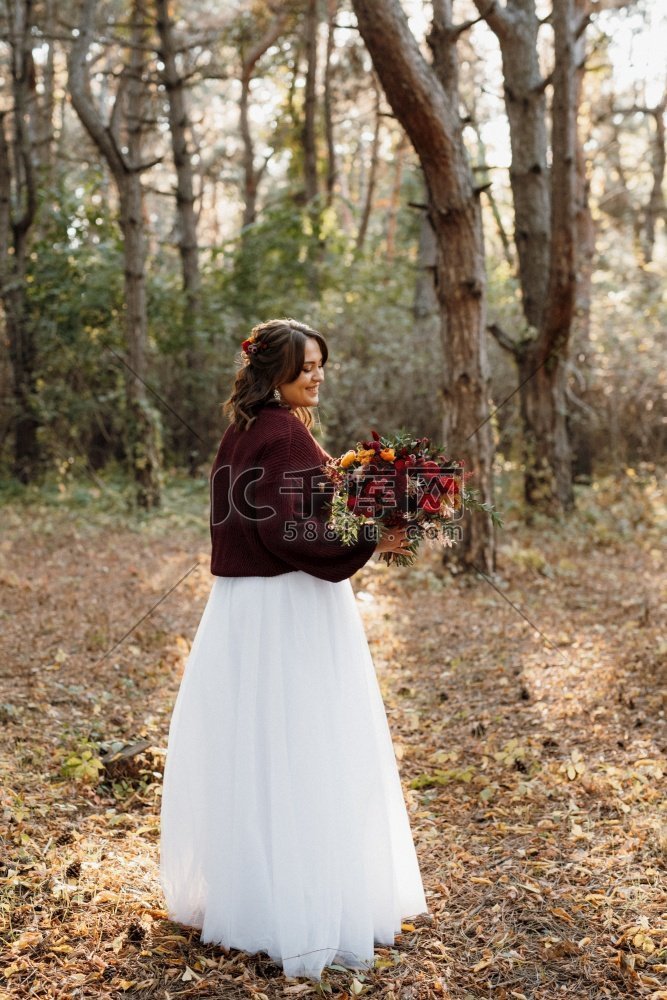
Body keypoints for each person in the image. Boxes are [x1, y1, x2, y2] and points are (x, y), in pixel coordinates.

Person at [159, 318, 428, 981]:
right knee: (301, 745)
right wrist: (373, 534)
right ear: (272, 370)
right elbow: (293, 529)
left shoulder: (250, 430)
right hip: (284, 608)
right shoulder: (281, 434)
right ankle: (296, 910)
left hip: (248, 608)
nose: (318, 374)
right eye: (306, 365)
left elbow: (287, 514)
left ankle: (255, 897)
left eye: (321, 364)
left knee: (261, 749)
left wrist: (361, 502)